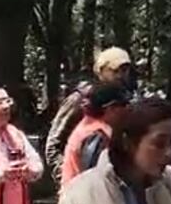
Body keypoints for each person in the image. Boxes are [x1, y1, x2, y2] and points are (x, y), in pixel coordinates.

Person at [46, 47, 134, 186]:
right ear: (101, 70)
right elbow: (53, 144)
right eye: (115, 70)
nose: (120, 76)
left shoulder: (125, 100)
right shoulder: (80, 98)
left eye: (125, 70)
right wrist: (67, 177)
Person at [59, 82, 130, 188]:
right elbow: (93, 177)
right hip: (83, 200)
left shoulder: (89, 126)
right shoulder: (96, 136)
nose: (127, 109)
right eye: (124, 105)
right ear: (110, 108)